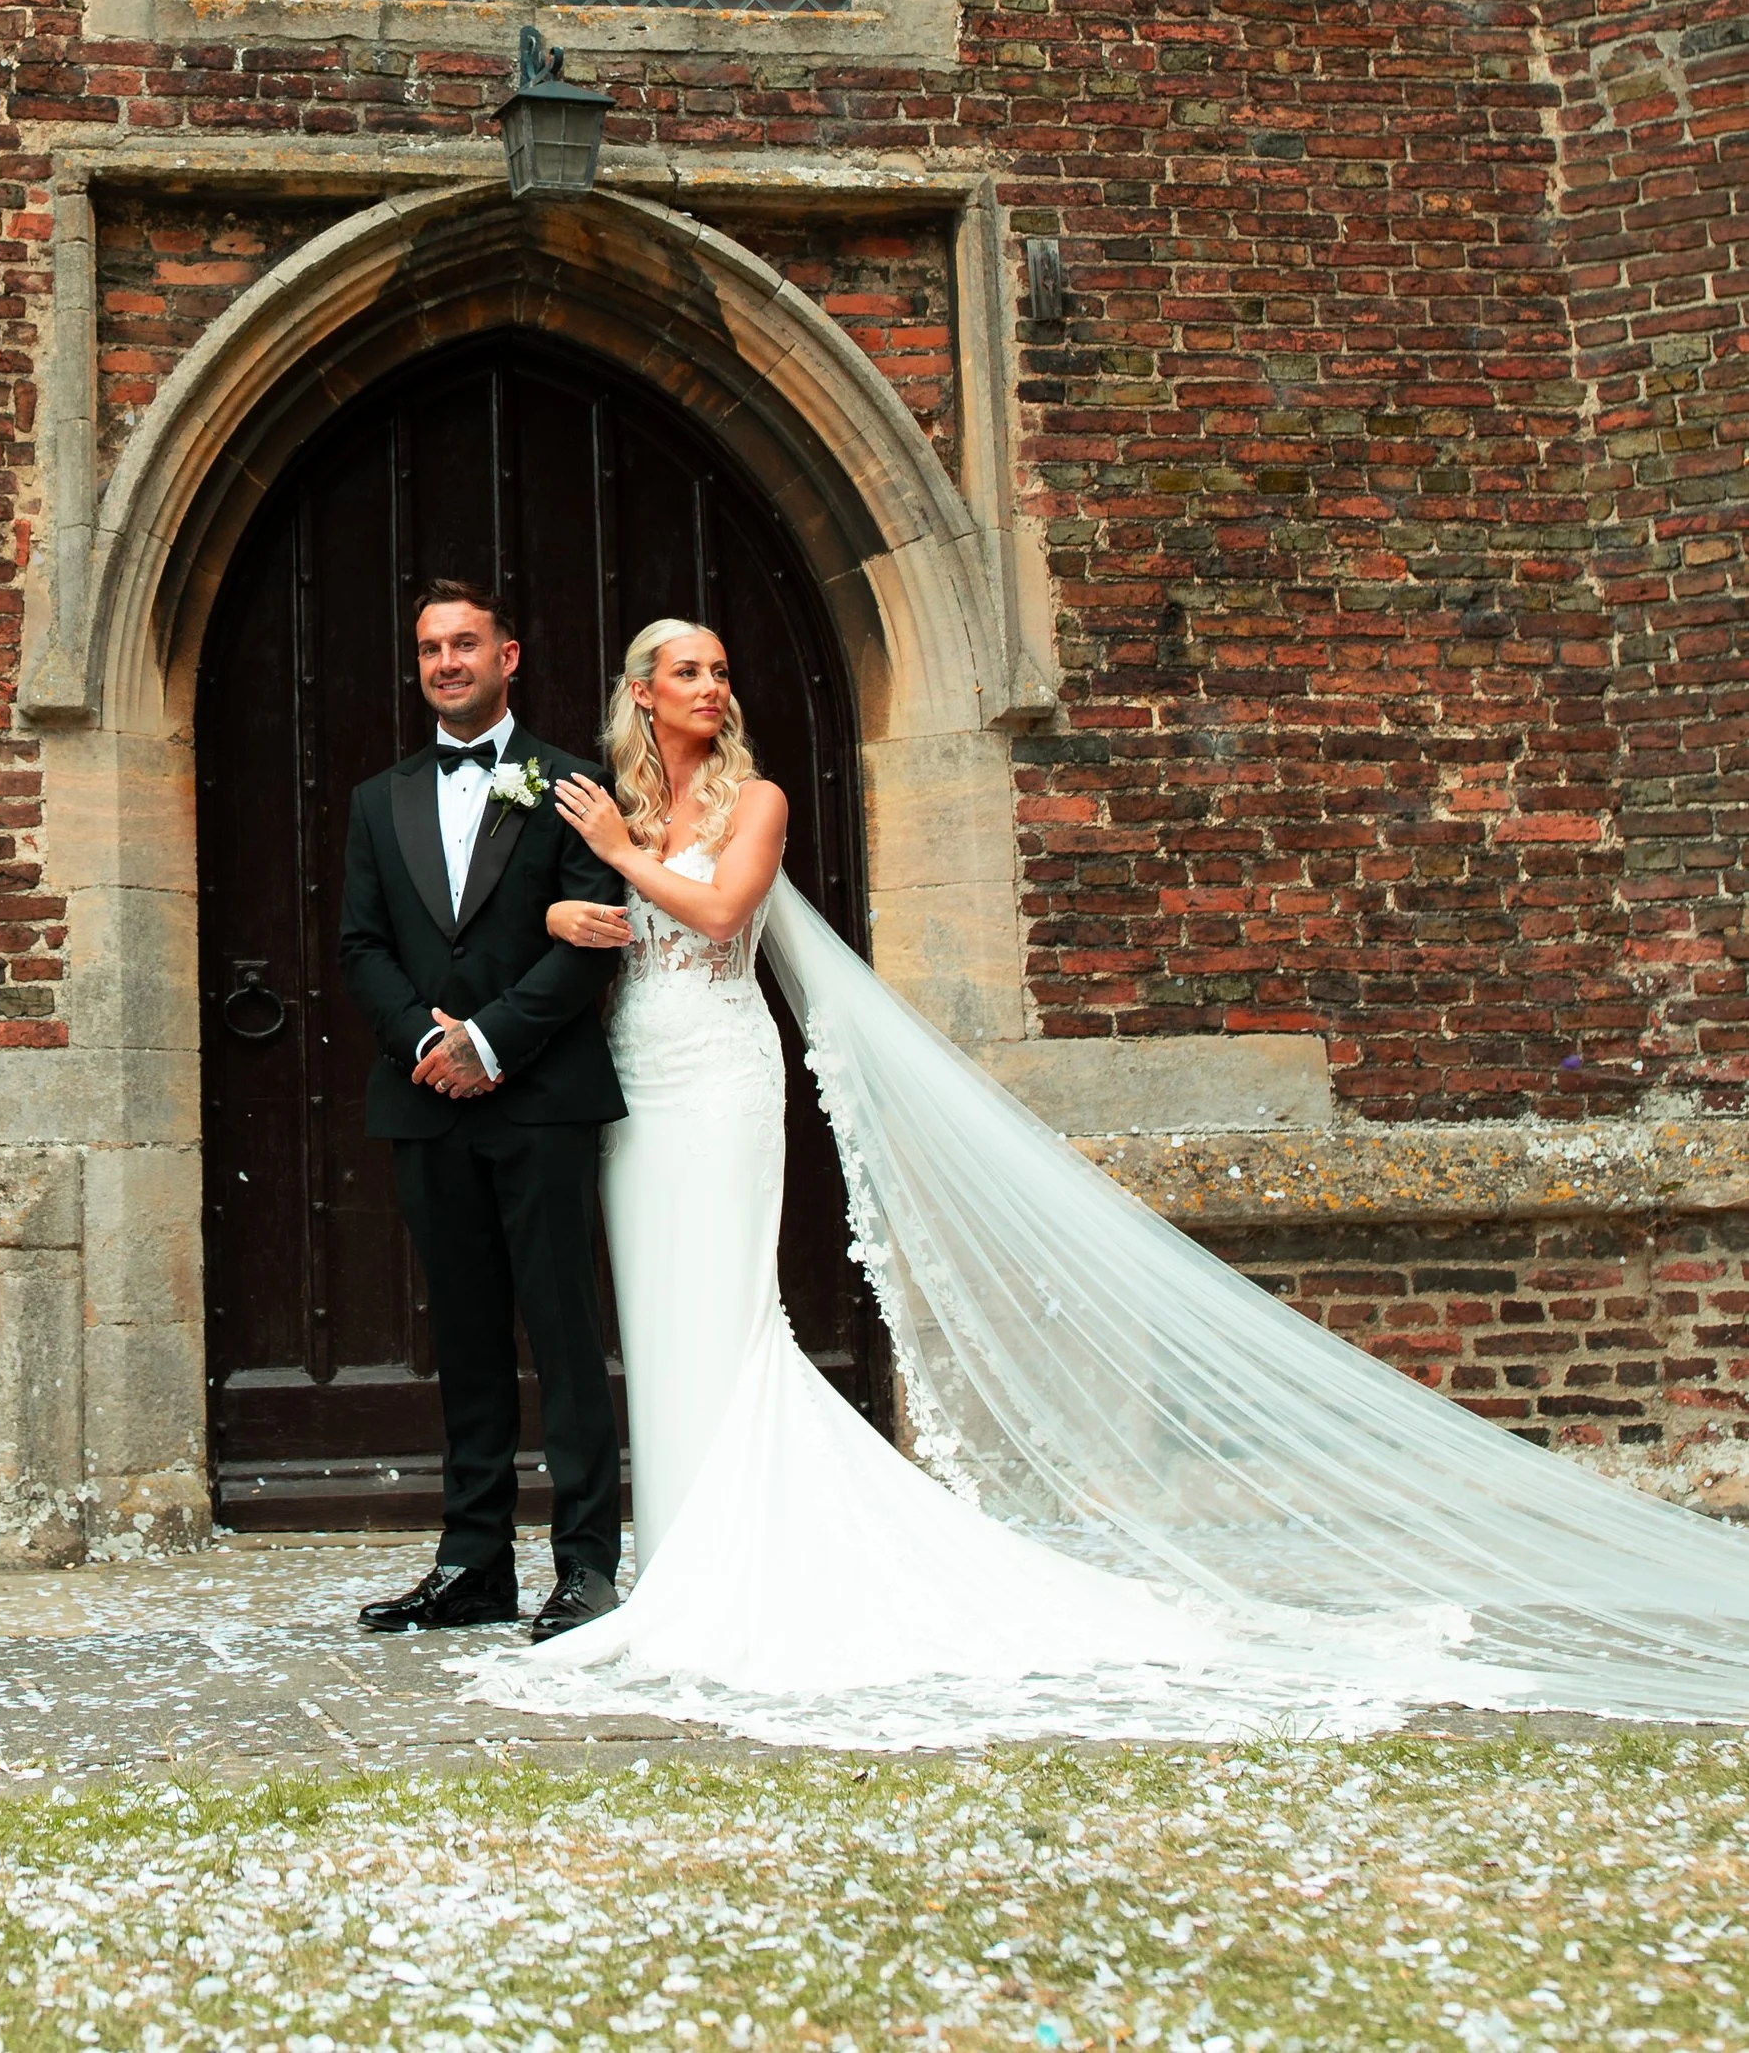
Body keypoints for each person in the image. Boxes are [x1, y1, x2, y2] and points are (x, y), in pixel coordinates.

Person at [461, 615, 1749, 1750]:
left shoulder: (758, 801)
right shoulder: (606, 799)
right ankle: (679, 1554)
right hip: (640, 1079)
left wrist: (624, 867)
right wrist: (578, 913)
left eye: (723, 671)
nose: (713, 690)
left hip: (729, 1082)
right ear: (642, 692)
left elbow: (727, 915)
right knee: (659, 1313)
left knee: (732, 1312)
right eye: (688, 672)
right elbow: (582, 934)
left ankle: (742, 1569)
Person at [337, 576, 629, 1643]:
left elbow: (592, 934)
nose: (446, 663)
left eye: (465, 644)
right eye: (429, 649)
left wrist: (491, 1041)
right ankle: (473, 1564)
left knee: (563, 1333)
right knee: (462, 1340)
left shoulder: (574, 787)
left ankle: (588, 1565)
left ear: (510, 658)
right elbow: (360, 947)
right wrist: (427, 1041)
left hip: (540, 1097)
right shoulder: (381, 799)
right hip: (425, 1101)